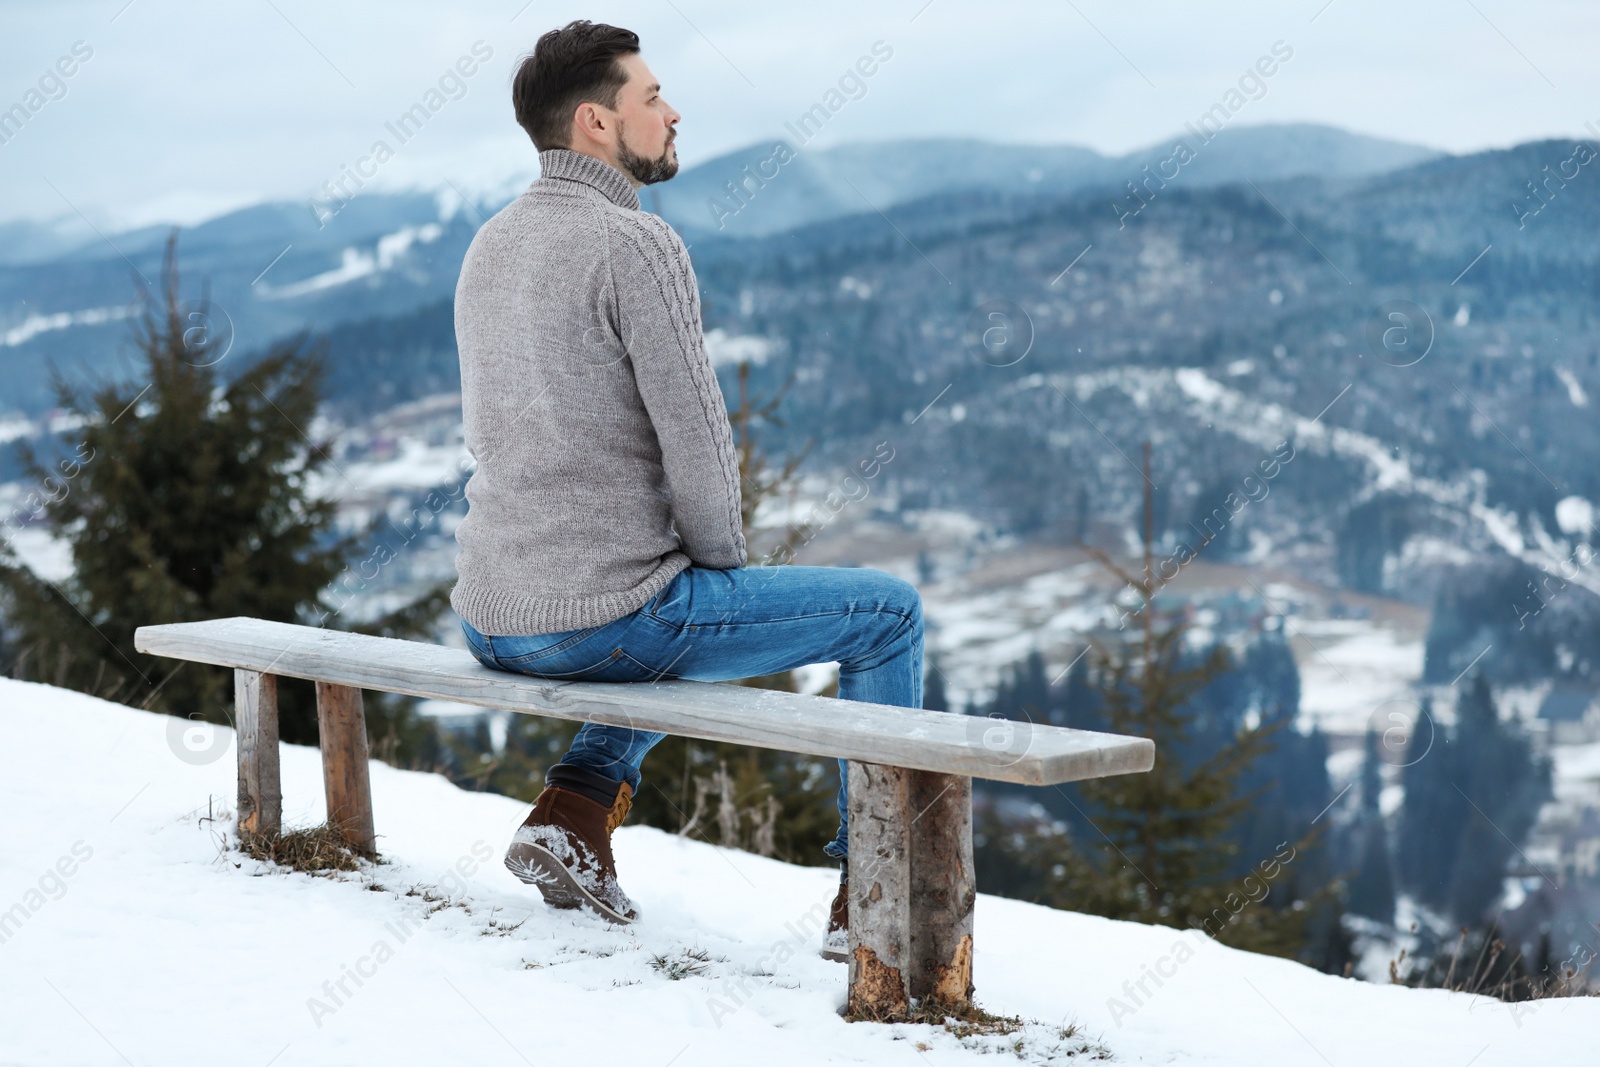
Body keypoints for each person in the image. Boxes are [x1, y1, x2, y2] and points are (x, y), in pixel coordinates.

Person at [450, 19, 924, 962]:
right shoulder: (636, 241)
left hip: (493, 613)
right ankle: (879, 890)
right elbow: (699, 442)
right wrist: (721, 581)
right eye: (651, 96)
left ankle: (576, 811)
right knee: (889, 614)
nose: (673, 113)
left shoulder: (490, 244)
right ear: (595, 122)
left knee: (649, 608)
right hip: (598, 616)